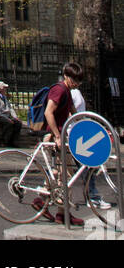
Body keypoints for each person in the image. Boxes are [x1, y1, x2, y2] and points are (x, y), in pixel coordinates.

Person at [33, 62, 86, 226]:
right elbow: (49, 112)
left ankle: (42, 200)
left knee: (59, 174)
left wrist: (90, 129)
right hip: (53, 138)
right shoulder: (59, 89)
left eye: (79, 80)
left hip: (61, 138)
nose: (76, 82)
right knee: (66, 177)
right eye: (73, 78)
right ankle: (62, 214)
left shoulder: (68, 92)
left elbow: (75, 115)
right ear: (66, 76)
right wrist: (57, 136)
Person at [70, 81, 113, 211]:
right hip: (75, 135)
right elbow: (73, 113)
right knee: (87, 166)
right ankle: (92, 197)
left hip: (74, 134)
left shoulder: (72, 92)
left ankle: (45, 190)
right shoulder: (75, 93)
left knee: (68, 168)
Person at [0, 81, 21, 146]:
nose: (6, 89)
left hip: (5, 116)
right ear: (0, 89)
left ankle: (12, 141)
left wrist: (15, 117)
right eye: (4, 88)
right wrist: (7, 119)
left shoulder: (4, 98)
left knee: (18, 123)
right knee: (8, 123)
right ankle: (3, 141)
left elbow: (10, 108)